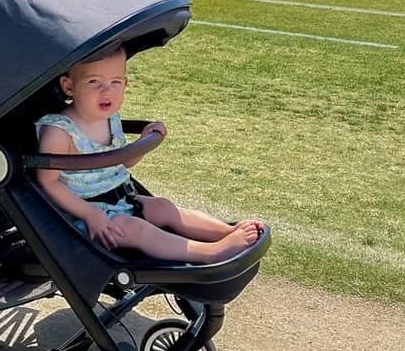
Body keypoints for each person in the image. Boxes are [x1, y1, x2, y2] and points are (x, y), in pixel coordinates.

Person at [35, 45, 263, 263]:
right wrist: (89, 215)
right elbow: (49, 183)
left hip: (122, 199)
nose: (107, 90)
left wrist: (143, 142)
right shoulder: (60, 132)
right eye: (94, 81)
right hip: (86, 218)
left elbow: (123, 163)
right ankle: (210, 252)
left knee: (163, 207)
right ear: (69, 86)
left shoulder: (110, 119)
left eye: (116, 82)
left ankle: (227, 231)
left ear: (125, 84)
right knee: (138, 229)